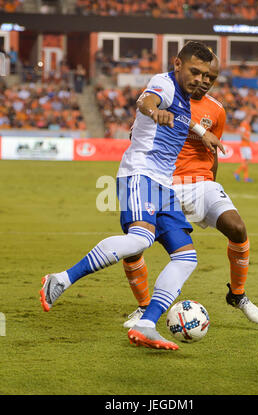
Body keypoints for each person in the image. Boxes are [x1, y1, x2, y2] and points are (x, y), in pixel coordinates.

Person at [39, 41, 225, 351]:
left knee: (186, 257)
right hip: (140, 173)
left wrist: (202, 132)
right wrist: (155, 113)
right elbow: (146, 101)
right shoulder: (163, 84)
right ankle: (60, 279)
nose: (200, 80)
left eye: (206, 75)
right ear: (178, 64)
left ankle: (146, 324)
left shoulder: (183, 98)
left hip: (163, 183)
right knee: (141, 239)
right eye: (194, 71)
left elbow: (181, 117)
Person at [123, 54, 258, 329]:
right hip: (163, 182)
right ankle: (143, 307)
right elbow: (138, 133)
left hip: (201, 183)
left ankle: (237, 295)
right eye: (201, 75)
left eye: (211, 78)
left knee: (237, 227)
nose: (205, 82)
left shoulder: (216, 110)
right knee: (134, 243)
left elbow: (213, 151)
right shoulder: (167, 95)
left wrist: (213, 185)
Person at [234, 114, 253, 183]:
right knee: (248, 160)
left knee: (246, 161)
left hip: (246, 145)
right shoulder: (244, 124)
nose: (251, 119)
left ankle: (246, 178)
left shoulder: (247, 125)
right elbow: (241, 135)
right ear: (247, 117)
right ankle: (237, 172)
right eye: (250, 117)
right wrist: (249, 140)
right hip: (245, 145)